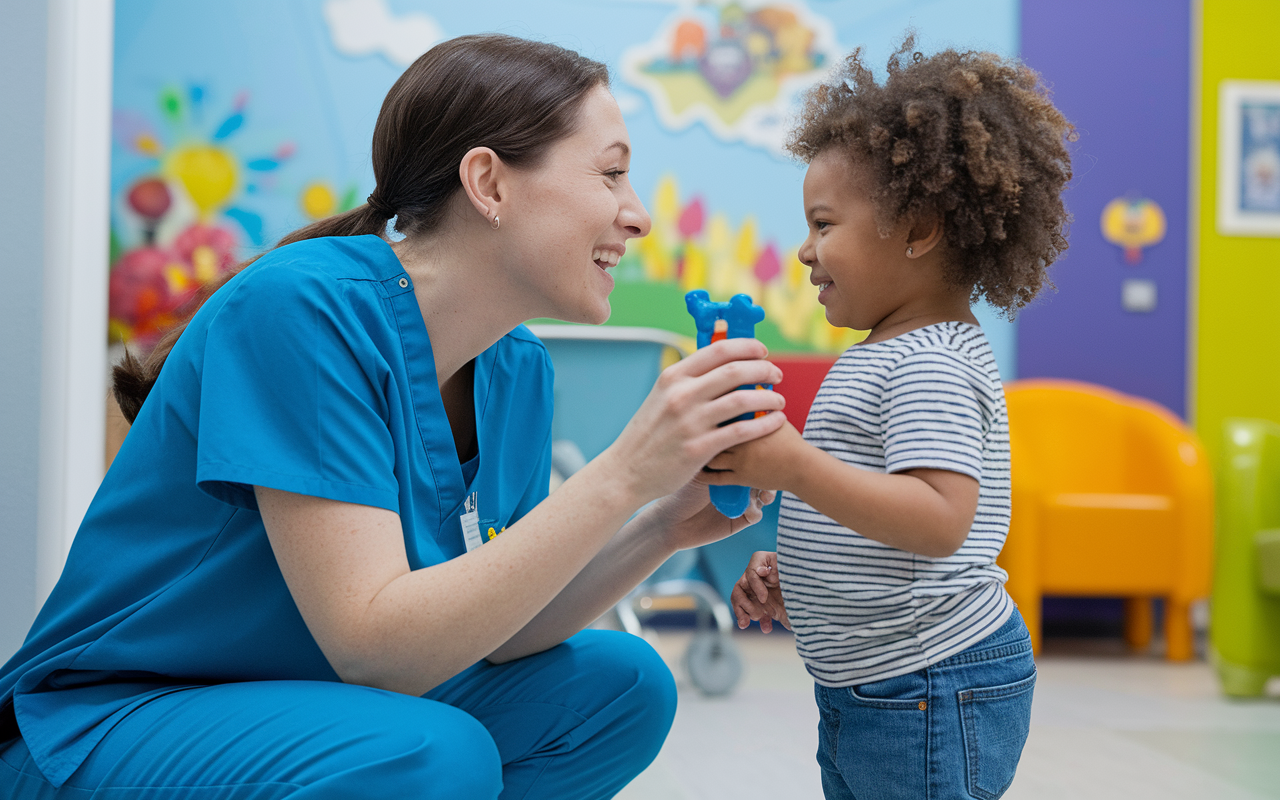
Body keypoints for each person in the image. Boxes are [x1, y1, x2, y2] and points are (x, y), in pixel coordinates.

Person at [0, 34, 786, 800]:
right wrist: (621, 472)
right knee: (430, 756)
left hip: (329, 713)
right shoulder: (301, 310)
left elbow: (499, 625)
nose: (638, 215)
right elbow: (379, 650)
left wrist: (660, 525)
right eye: (611, 175)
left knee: (621, 688)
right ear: (490, 183)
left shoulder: (516, 370)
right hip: (122, 721)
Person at [706, 37, 1073, 800]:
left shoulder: (929, 363)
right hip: (880, 681)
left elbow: (938, 519)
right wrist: (801, 574)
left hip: (931, 681)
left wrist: (789, 465)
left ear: (919, 230)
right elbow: (875, 508)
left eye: (824, 224)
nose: (806, 252)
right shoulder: (888, 354)